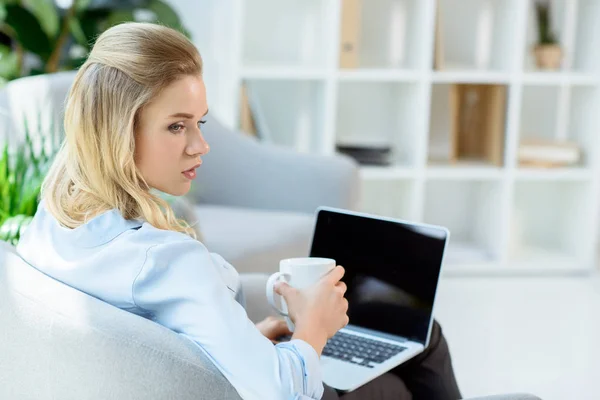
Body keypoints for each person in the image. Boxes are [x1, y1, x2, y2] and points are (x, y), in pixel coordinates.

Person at [16, 22, 461, 400]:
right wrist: (313, 330)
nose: (200, 145)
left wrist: (245, 339)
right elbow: (284, 393)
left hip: (231, 374)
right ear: (117, 131)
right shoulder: (167, 261)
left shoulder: (52, 225)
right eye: (176, 126)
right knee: (420, 348)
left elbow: (173, 333)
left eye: (200, 122)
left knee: (413, 344)